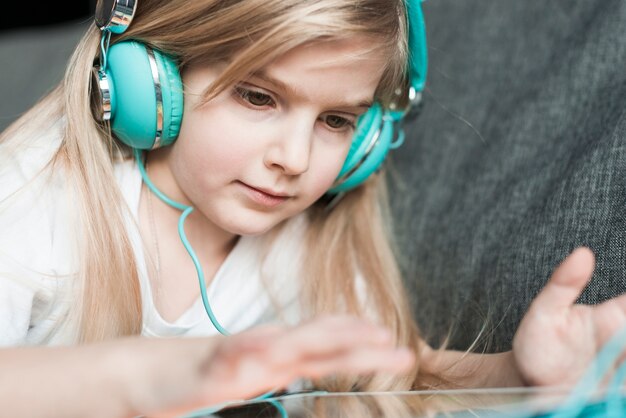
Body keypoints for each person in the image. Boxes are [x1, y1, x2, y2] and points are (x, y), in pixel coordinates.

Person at [0, 0, 625, 417]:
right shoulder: (34, 191)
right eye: (257, 96)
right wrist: (170, 374)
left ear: (369, 143)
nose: (296, 159)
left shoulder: (309, 242)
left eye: (336, 120)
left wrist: (521, 372)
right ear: (145, 82)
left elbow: (394, 376)